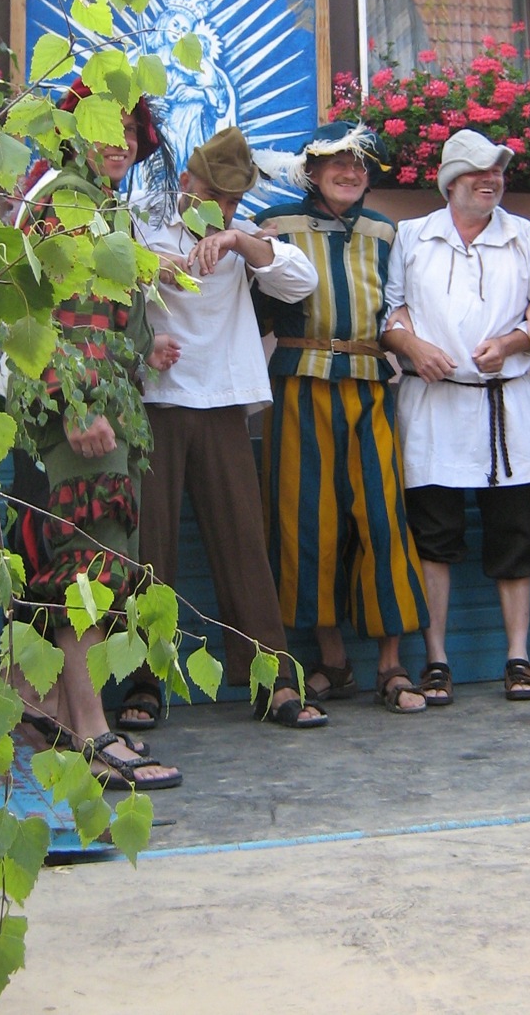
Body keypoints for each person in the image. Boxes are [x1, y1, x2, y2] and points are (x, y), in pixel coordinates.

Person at [118, 125, 328, 730]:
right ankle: (143, 682)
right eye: (214, 195)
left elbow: (301, 281)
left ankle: (273, 681)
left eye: (234, 201)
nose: (223, 208)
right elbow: (97, 281)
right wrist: (147, 266)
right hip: (153, 401)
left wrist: (239, 239)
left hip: (223, 402)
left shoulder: (244, 235)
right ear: (185, 180)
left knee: (243, 543)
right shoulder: (139, 220)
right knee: (149, 551)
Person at [8, 79, 183, 789]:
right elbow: (57, 312)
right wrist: (76, 404)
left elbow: (93, 311)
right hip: (79, 415)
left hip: (93, 403)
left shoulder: (90, 201)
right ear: (74, 134)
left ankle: (42, 711)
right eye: (107, 128)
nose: (124, 143)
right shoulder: (74, 200)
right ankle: (91, 731)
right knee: (89, 568)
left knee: (73, 564)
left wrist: (142, 345)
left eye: (133, 133)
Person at [253, 121, 429, 714]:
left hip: (372, 385)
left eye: (360, 164)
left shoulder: (385, 231)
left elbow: (400, 306)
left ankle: (391, 664)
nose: (351, 172)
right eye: (337, 162)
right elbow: (250, 310)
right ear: (312, 171)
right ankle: (333, 659)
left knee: (382, 519)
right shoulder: (275, 225)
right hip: (298, 384)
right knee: (306, 521)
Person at [382, 129, 530, 704]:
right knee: (433, 538)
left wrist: (510, 344)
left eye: (497, 172)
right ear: (449, 182)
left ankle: (518, 656)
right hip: (431, 407)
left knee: (515, 536)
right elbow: (391, 312)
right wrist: (412, 347)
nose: (491, 180)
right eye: (478, 172)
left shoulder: (523, 235)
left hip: (504, 408)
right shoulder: (412, 235)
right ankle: (436, 659)